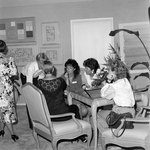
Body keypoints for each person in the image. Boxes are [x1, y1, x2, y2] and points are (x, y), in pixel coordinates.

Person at [35, 60, 87, 143]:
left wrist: (35, 77)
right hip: (64, 114)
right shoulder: (60, 81)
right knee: (75, 107)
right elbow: (66, 87)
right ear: (53, 70)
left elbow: (34, 86)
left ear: (43, 71)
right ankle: (80, 134)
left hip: (48, 115)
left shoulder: (39, 83)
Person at [98, 46, 135, 130]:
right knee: (108, 113)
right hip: (131, 113)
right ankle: (112, 131)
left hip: (121, 115)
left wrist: (107, 81)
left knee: (98, 115)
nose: (108, 71)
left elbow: (103, 95)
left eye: (109, 70)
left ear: (114, 73)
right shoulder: (126, 81)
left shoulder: (114, 86)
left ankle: (109, 137)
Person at [20, 52, 49, 130]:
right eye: (41, 62)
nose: (42, 63)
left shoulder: (44, 65)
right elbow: (29, 84)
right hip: (26, 76)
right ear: (37, 61)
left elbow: (42, 79)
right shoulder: (31, 67)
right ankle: (32, 125)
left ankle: (41, 121)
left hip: (36, 76)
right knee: (30, 100)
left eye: (44, 61)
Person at [0, 40, 19, 141]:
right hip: (6, 88)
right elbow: (14, 73)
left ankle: (1, 130)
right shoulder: (10, 59)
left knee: (2, 110)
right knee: (6, 110)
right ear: (4, 48)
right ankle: (12, 134)